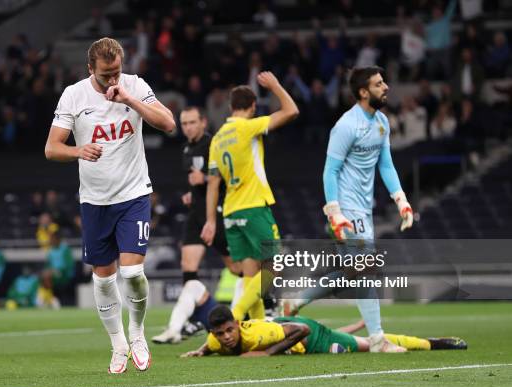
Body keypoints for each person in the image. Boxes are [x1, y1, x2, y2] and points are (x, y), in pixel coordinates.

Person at [44, 37, 175, 373]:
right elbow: (51, 148)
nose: (112, 80)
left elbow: (168, 124)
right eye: (105, 75)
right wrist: (78, 150)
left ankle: (137, 333)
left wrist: (129, 97)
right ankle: (118, 345)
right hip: (95, 200)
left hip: (133, 194)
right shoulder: (74, 95)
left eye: (116, 72)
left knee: (132, 273)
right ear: (91, 69)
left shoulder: (134, 86)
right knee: (103, 280)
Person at [280, 66, 413, 353]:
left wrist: (401, 200)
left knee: (356, 271)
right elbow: (330, 172)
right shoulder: (345, 126)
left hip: (364, 210)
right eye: (379, 84)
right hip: (346, 209)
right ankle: (377, 339)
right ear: (364, 92)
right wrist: (335, 212)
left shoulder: (381, 122)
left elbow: (386, 164)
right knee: (365, 270)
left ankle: (298, 298)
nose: (386, 86)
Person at [201, 72, 298, 322]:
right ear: (253, 107)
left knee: (249, 275)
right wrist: (276, 85)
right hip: (253, 206)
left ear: (232, 107)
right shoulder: (248, 127)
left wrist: (211, 220)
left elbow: (212, 183)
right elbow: (291, 111)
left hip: (231, 211)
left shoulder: (218, 138)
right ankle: (235, 314)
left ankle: (255, 327)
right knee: (276, 265)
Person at [152, 106, 239, 344]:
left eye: (192, 122)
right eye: (184, 123)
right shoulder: (188, 148)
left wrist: (206, 180)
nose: (187, 127)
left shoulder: (215, 144)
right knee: (187, 265)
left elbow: (228, 176)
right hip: (196, 214)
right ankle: (196, 318)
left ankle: (266, 301)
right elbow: (197, 181)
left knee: (236, 269)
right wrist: (193, 193)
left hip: (217, 212)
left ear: (203, 122)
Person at [181, 305, 467, 357]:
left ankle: (435, 343)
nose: (226, 337)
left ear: (237, 325)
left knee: (371, 345)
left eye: (229, 330)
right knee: (357, 336)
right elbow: (210, 344)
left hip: (313, 337)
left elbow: (302, 329)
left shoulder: (257, 336)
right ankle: (352, 327)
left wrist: (267, 353)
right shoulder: (215, 341)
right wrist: (200, 350)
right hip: (286, 327)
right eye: (221, 334)